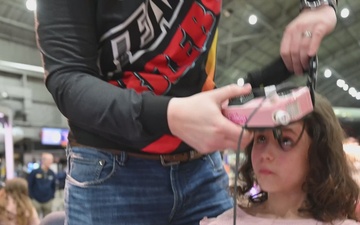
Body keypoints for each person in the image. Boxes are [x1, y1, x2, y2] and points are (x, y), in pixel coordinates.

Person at [34, 0, 338, 224]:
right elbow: (67, 79)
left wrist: (320, 6)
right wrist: (170, 115)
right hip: (111, 172)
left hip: (202, 172)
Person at [200, 93, 360, 225]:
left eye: (286, 140)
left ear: (319, 151)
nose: (266, 154)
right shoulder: (225, 222)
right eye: (261, 138)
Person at [27, 153, 56, 218]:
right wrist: (31, 197)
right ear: (43, 160)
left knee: (48, 219)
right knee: (34, 218)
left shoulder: (52, 173)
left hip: (48, 200)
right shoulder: (34, 172)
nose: (50, 162)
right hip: (36, 201)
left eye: (51, 160)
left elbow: (53, 186)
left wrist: (52, 196)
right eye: (49, 160)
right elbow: (30, 185)